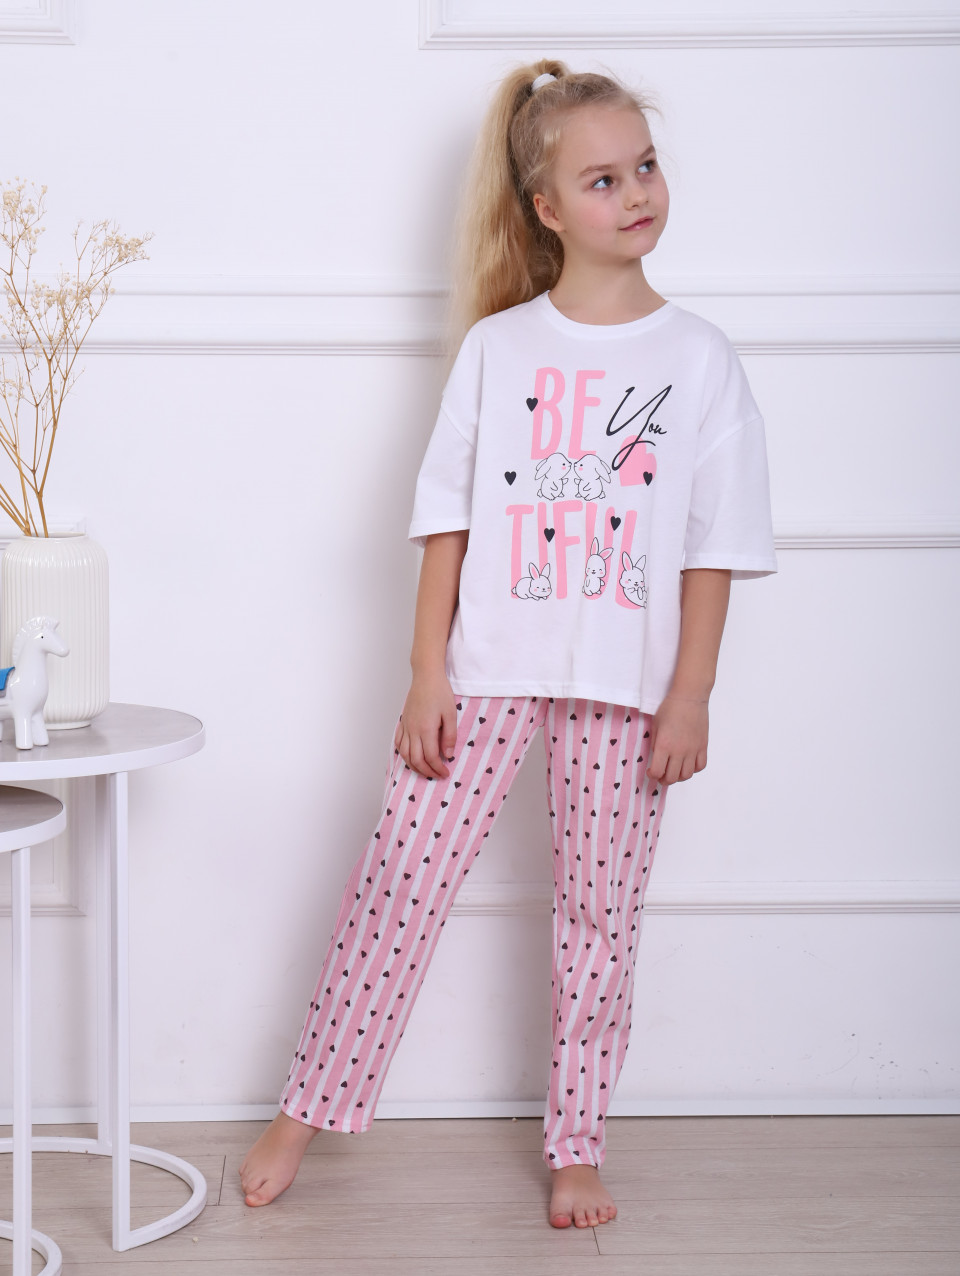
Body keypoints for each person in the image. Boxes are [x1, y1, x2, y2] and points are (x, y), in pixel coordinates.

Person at [240, 57, 778, 1229]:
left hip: (627, 689)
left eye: (645, 166)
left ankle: (576, 1145)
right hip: (484, 667)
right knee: (400, 881)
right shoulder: (500, 349)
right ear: (547, 207)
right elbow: (447, 520)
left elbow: (716, 545)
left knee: (599, 918)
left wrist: (691, 693)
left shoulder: (699, 359)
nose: (636, 192)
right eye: (602, 178)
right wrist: (424, 672)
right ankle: (305, 1107)